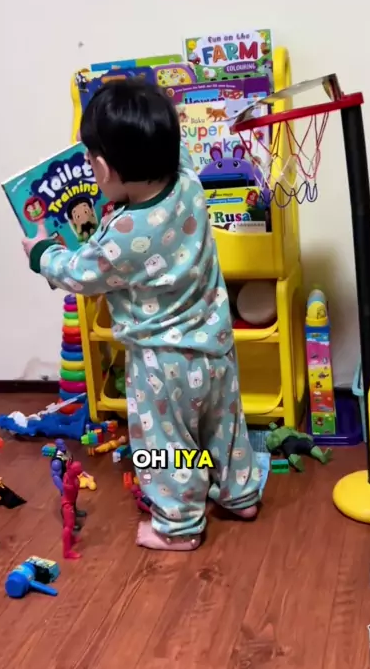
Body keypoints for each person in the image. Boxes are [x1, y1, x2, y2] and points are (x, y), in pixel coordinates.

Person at [22, 79, 263, 551]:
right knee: (225, 426)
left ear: (103, 168)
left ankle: (178, 527)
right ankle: (241, 495)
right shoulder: (189, 181)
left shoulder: (123, 234)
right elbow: (175, 153)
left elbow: (78, 273)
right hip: (215, 343)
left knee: (166, 447)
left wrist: (41, 253)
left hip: (161, 365)